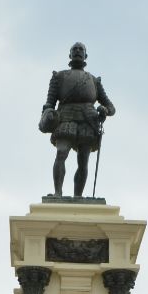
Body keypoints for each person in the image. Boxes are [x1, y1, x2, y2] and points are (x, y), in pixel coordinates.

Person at [40, 42, 115, 198]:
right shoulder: (59, 77)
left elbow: (110, 107)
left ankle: (78, 196)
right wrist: (48, 114)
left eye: (81, 49)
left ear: (86, 55)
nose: (78, 51)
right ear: (70, 54)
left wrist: (104, 110)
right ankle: (58, 192)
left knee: (83, 162)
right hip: (65, 116)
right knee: (61, 153)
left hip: (88, 119)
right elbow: (49, 103)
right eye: (75, 49)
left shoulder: (94, 80)